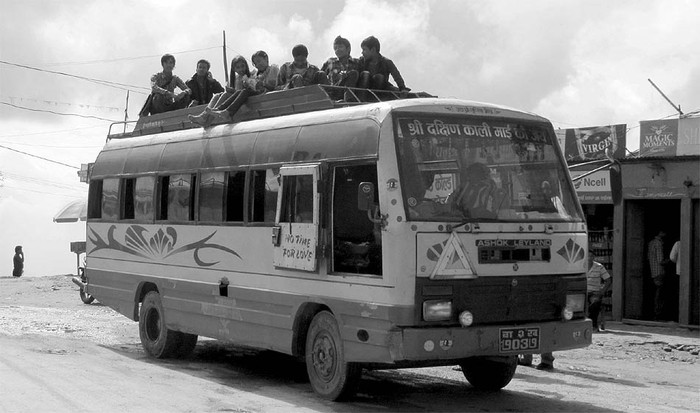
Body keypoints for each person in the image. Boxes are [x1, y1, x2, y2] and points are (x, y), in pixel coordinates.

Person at [188, 55, 256, 127]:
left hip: (244, 99)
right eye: (238, 67)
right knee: (218, 95)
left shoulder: (251, 75)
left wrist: (213, 81)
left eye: (242, 66)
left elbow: (246, 91)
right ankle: (204, 116)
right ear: (234, 69)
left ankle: (208, 117)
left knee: (225, 94)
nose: (241, 69)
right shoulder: (190, 82)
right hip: (235, 98)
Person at [587, 249, 612, 331]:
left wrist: (602, 292)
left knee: (595, 303)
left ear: (593, 257)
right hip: (583, 292)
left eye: (591, 256)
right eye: (588, 256)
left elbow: (608, 280)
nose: (589, 258)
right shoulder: (580, 266)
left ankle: (593, 325)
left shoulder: (599, 266)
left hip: (594, 292)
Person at [648, 230, 668, 321]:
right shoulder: (658, 244)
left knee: (657, 293)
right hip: (659, 271)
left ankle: (655, 314)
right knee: (660, 295)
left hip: (653, 270)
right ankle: (658, 314)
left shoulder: (651, 243)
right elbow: (661, 260)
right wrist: (670, 260)